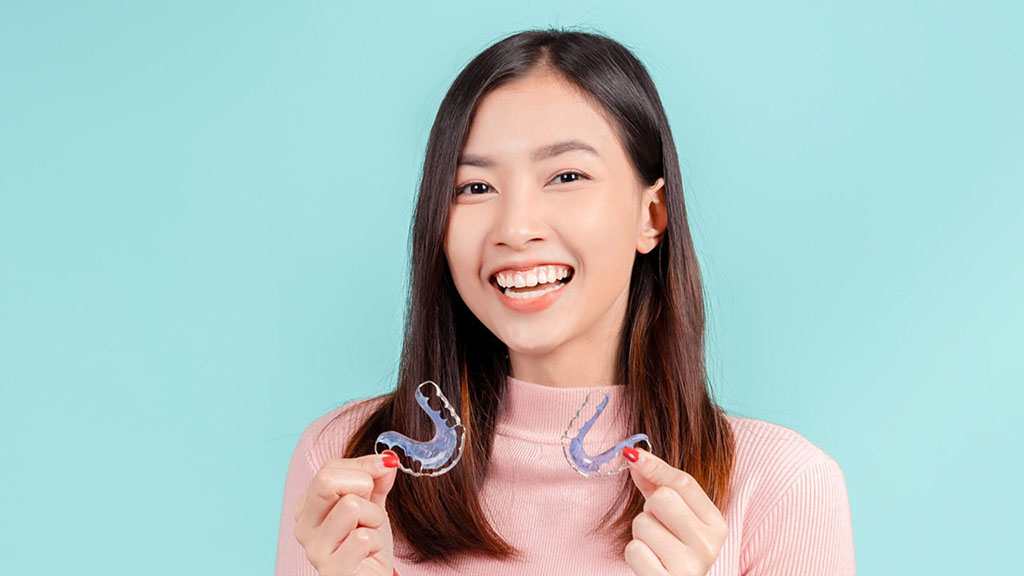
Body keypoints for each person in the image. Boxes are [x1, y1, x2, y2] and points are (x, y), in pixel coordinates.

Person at [274, 28, 856, 576]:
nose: (516, 227)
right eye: (475, 187)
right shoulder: (344, 467)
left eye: (567, 176)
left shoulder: (781, 486)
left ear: (651, 215)